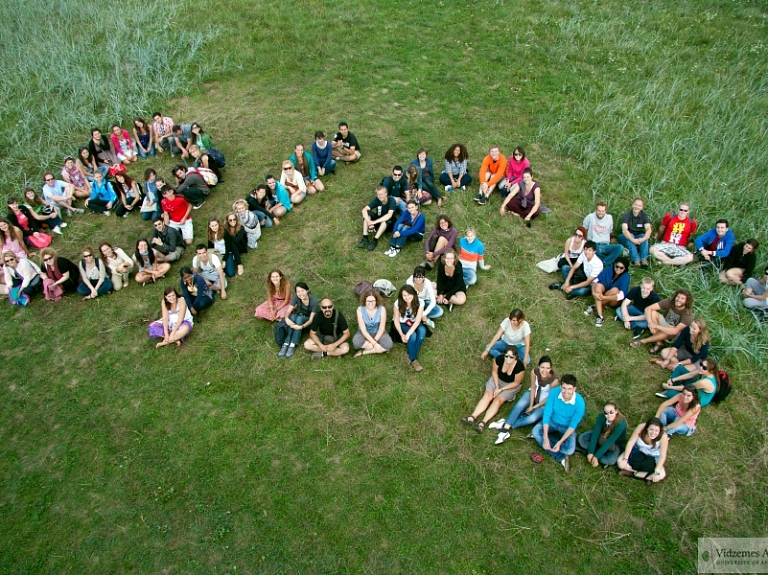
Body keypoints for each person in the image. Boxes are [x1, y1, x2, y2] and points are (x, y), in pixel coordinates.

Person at [490, 356, 559, 444]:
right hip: (532, 394)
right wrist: (530, 405)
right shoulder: (534, 372)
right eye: (542, 367)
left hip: (544, 402)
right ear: (538, 367)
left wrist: (535, 406)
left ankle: (506, 424)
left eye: (548, 368)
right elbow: (533, 388)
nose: (545, 370)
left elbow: (550, 397)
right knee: (520, 405)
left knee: (532, 418)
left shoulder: (554, 380)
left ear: (551, 368)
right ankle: (505, 430)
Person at [462, 345, 526, 433]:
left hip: (510, 385)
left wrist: (501, 390)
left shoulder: (519, 367)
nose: (508, 359)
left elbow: (516, 383)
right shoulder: (499, 359)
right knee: (488, 395)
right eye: (506, 356)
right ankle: (472, 417)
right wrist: (496, 386)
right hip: (497, 379)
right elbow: (494, 372)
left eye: (511, 357)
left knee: (498, 400)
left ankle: (483, 423)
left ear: (515, 357)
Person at [531, 374, 585, 472]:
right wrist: (546, 437)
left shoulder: (580, 403)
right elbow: (547, 414)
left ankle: (550, 441)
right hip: (552, 421)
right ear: (560, 387)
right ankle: (560, 457)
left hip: (566, 427)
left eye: (569, 388)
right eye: (564, 388)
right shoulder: (554, 393)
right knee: (535, 431)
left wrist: (560, 442)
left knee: (570, 450)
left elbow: (573, 425)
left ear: (574, 389)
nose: (566, 392)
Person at [630, 289, 694, 353]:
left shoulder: (687, 314)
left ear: (687, 301)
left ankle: (643, 341)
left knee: (670, 329)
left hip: (674, 335)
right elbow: (648, 308)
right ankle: (659, 342)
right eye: (678, 297)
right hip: (664, 325)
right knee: (653, 313)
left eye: (682, 298)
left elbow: (674, 331)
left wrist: (656, 326)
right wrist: (650, 323)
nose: (679, 300)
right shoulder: (670, 301)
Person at [618, 417, 668, 484]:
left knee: (662, 474)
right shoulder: (641, 427)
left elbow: (662, 455)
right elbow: (630, 443)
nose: (653, 433)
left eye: (656, 431)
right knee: (620, 462)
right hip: (637, 451)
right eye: (651, 429)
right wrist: (625, 459)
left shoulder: (663, 436)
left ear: (660, 431)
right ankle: (646, 476)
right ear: (647, 428)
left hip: (653, 456)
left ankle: (633, 473)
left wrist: (657, 470)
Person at [583, 257, 630, 327]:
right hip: (604, 294)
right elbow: (595, 281)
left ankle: (594, 306)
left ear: (625, 268)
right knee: (598, 286)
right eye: (617, 266)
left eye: (621, 268)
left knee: (615, 290)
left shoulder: (626, 276)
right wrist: (593, 292)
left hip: (614, 300)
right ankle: (600, 316)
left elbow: (622, 295)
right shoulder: (610, 269)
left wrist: (604, 297)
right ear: (614, 265)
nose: (618, 269)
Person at [577, 402, 627, 467]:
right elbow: (595, 434)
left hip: (614, 444)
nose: (608, 415)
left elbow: (609, 442)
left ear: (616, 411)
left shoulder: (621, 423)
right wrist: (590, 453)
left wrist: (596, 457)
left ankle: (594, 452)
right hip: (601, 435)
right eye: (606, 412)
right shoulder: (601, 417)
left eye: (611, 412)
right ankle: (595, 452)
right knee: (582, 438)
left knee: (610, 460)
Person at [391, 284, 428, 372]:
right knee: (413, 336)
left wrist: (407, 334)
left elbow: (418, 320)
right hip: (402, 323)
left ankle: (411, 352)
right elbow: (396, 320)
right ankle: (413, 359)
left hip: (414, 322)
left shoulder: (420, 302)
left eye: (409, 294)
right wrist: (401, 334)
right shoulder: (397, 304)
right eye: (404, 295)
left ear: (414, 294)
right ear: (401, 296)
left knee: (422, 331)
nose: (407, 297)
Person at [278, 282, 319, 358]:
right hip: (300, 316)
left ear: (307, 290)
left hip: (310, 322)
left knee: (298, 318)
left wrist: (301, 327)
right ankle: (286, 343)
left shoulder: (314, 301)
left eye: (302, 291)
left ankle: (292, 344)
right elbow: (288, 311)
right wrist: (287, 318)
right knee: (293, 317)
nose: (300, 294)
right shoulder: (296, 297)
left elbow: (311, 320)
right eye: (298, 292)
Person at [353, 289, 393, 357]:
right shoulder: (360, 310)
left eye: (373, 301)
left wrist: (373, 342)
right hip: (364, 333)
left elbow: (381, 328)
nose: (370, 303)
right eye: (368, 301)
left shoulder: (382, 309)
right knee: (356, 342)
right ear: (365, 301)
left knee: (389, 344)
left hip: (378, 332)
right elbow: (363, 330)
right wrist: (375, 344)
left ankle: (363, 352)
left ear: (376, 301)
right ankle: (381, 349)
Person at [583, 201, 623, 265]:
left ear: (605, 211)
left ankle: (603, 263)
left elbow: (610, 232)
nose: (600, 213)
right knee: (594, 251)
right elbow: (584, 230)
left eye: (602, 211)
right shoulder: (590, 217)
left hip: (605, 245)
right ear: (596, 210)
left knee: (620, 247)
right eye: (599, 211)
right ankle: (607, 262)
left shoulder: (609, 218)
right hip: (594, 244)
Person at [359, 185, 396, 251]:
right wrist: (369, 222)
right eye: (378, 194)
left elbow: (389, 215)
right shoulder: (376, 200)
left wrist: (374, 222)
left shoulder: (391, 200)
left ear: (386, 194)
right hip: (378, 220)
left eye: (381, 194)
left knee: (386, 220)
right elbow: (364, 210)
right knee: (367, 213)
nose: (380, 196)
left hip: (389, 223)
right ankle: (365, 237)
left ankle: (375, 240)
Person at [618, 198, 653, 267]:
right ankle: (635, 259)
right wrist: (632, 240)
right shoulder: (626, 215)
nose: (637, 207)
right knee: (629, 236)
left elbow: (648, 229)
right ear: (632, 205)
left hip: (638, 235)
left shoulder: (644, 216)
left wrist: (643, 239)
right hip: (626, 235)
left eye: (639, 205)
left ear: (642, 207)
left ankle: (644, 259)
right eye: (635, 205)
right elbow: (624, 230)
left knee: (644, 237)